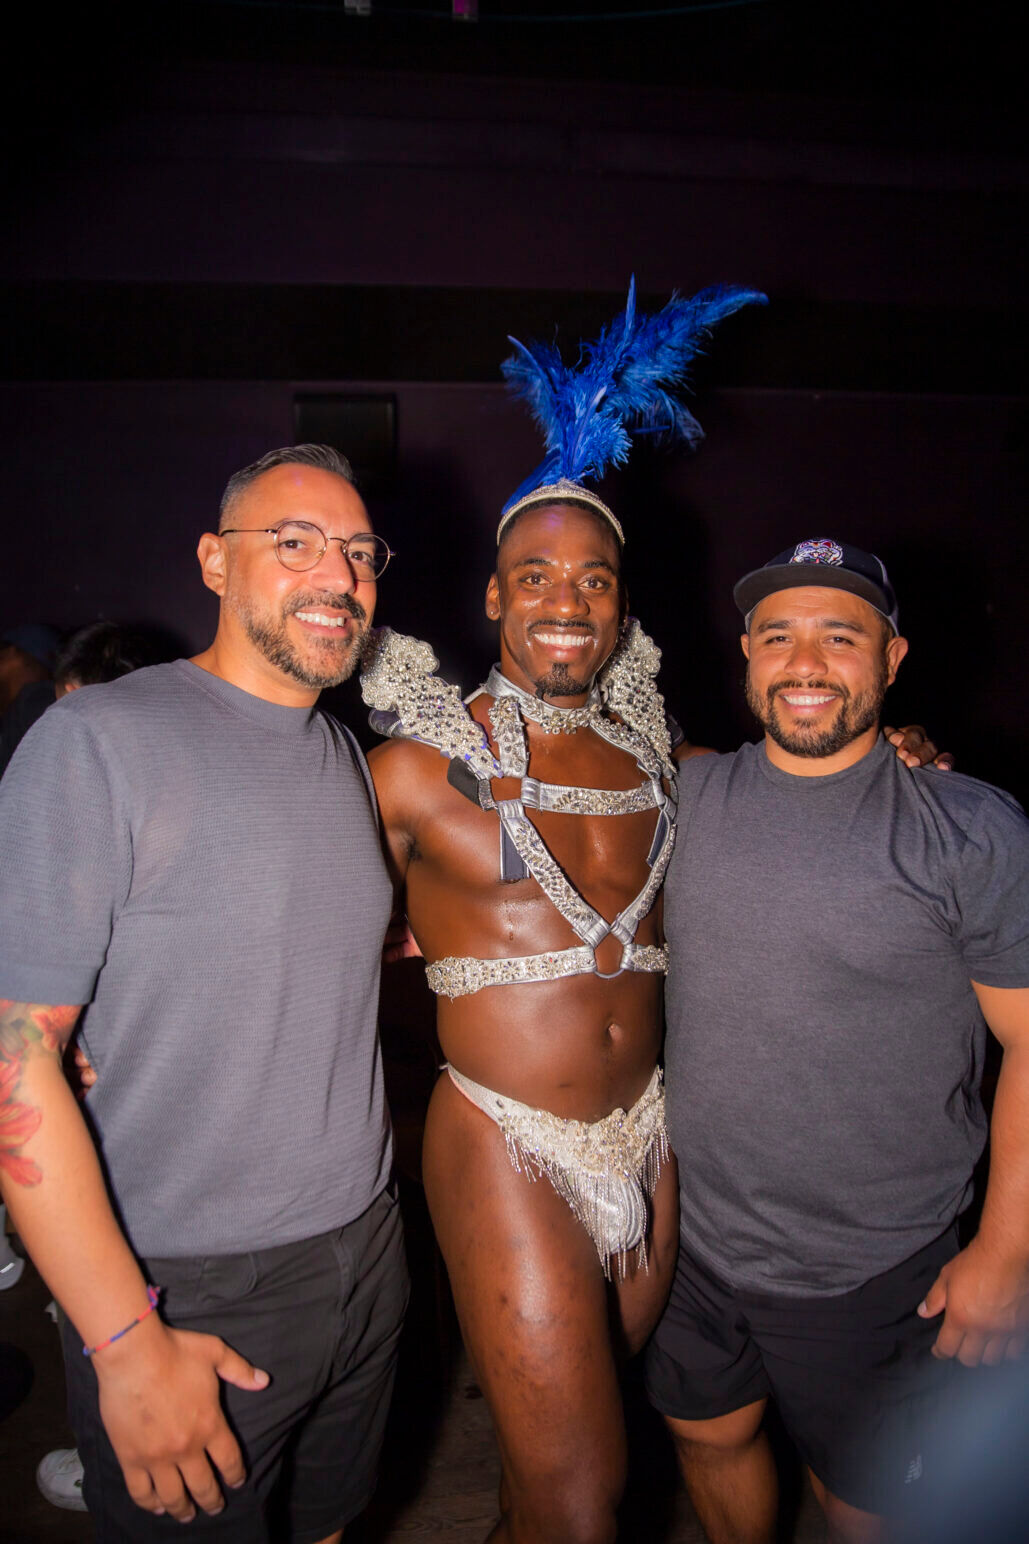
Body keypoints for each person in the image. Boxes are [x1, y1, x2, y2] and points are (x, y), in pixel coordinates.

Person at [362, 292, 935, 1544]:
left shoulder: (676, 762)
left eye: (594, 577)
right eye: (535, 577)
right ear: (497, 599)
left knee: (557, 1459)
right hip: (504, 1135)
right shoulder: (412, 767)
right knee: (582, 1498)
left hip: (649, 1140)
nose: (566, 598)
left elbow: (809, 776)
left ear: (622, 606)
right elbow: (289, 914)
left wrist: (901, 754)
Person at [0, 444, 408, 1542]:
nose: (339, 576)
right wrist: (122, 1338)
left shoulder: (338, 754)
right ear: (213, 564)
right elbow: (11, 1056)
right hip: (187, 1284)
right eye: (295, 543)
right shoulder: (99, 740)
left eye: (360, 552)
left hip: (367, 1250)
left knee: (331, 1523)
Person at [647, 539, 1029, 1544]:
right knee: (708, 1433)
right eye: (779, 635)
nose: (805, 661)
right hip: (692, 1243)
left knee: (870, 1511)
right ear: (745, 653)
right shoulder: (684, 805)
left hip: (874, 1270)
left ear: (892, 659)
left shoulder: (970, 828)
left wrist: (1006, 1247)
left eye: (840, 635)